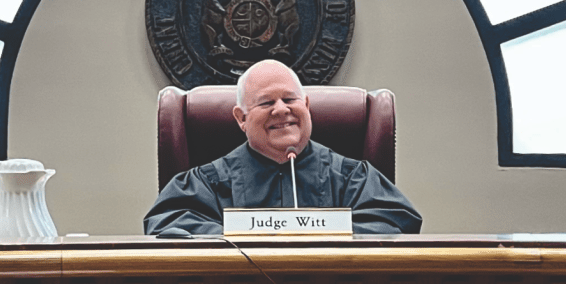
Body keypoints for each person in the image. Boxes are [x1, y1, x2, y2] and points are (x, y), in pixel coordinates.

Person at [144, 60, 422, 235]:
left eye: (290, 99)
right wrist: (244, 240)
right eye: (266, 103)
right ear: (241, 118)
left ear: (308, 107)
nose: (281, 110)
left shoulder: (352, 177)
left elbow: (395, 223)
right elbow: (169, 224)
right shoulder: (208, 182)